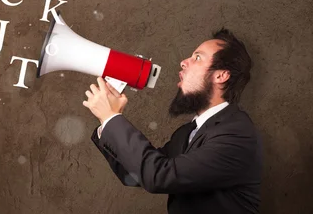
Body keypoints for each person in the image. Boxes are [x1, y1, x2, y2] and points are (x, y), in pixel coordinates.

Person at [83, 28, 262, 214]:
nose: (184, 62)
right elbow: (134, 174)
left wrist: (112, 118)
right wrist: (106, 124)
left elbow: (158, 176)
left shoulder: (237, 133)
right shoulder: (187, 133)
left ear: (220, 75)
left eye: (197, 57)